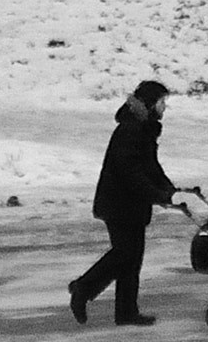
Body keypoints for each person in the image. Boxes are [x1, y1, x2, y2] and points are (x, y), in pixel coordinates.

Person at [69, 79, 184, 327]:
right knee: (125, 254)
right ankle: (83, 288)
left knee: (132, 258)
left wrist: (168, 189)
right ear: (150, 103)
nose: (165, 108)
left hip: (131, 204)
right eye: (163, 102)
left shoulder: (142, 128)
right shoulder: (131, 130)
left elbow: (150, 166)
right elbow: (130, 172)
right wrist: (157, 194)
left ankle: (126, 312)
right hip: (119, 204)